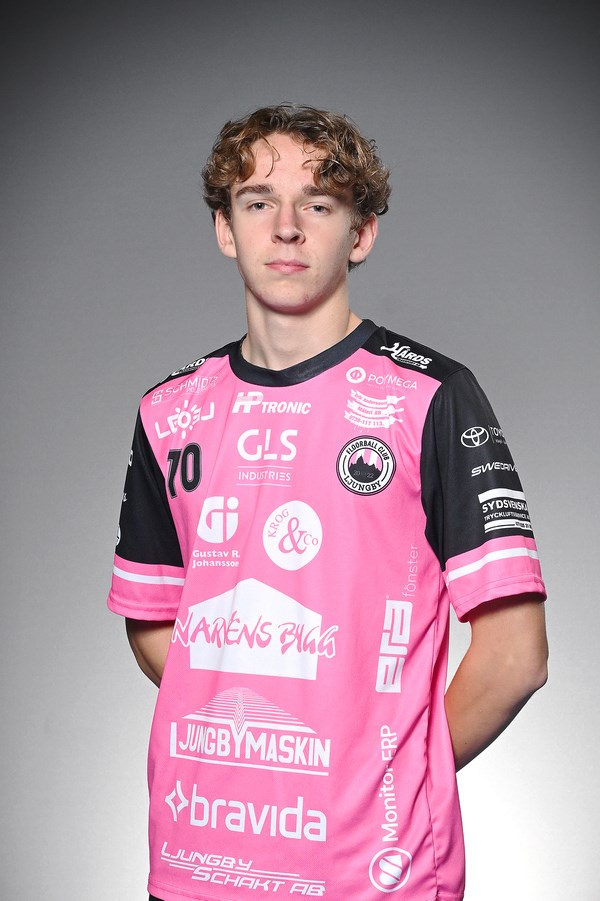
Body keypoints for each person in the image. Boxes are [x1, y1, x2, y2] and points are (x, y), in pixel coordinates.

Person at [107, 104, 548, 901]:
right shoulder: (168, 412)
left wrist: (383, 775)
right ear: (225, 228)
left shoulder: (431, 396)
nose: (286, 227)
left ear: (361, 232)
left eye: (317, 203)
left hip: (374, 876)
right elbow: (154, 620)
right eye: (257, 202)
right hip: (196, 862)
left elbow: (516, 653)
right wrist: (254, 727)